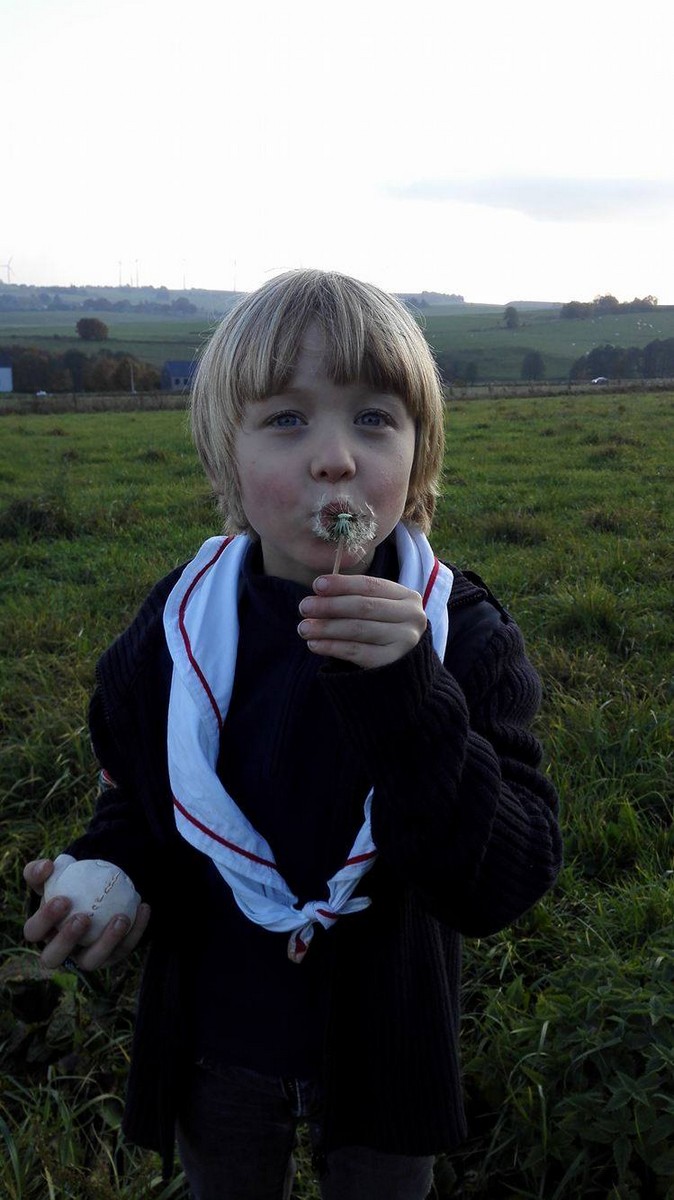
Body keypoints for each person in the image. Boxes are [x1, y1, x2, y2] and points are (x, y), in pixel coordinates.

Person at [24, 269, 563, 1200]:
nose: (335, 460)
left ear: (419, 458)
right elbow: (144, 793)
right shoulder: (179, 626)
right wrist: (113, 867)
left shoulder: (464, 636)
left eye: (374, 419)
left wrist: (410, 696)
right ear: (224, 459)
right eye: (286, 420)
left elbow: (502, 881)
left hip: (388, 1043)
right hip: (218, 1038)